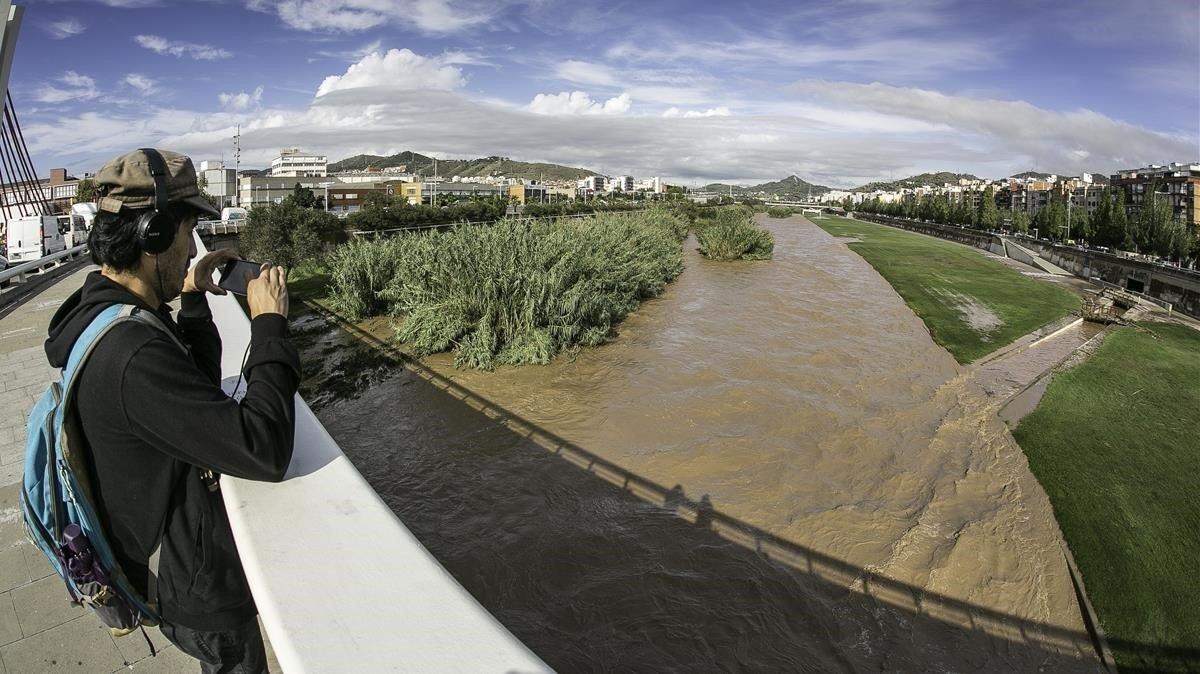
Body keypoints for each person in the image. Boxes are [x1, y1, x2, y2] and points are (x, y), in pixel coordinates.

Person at [43, 149, 299, 673]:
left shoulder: (114, 312)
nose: (191, 249)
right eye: (187, 234)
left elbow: (194, 389)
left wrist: (192, 299)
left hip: (182, 562)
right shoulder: (132, 354)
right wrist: (269, 324)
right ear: (154, 236)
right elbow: (264, 448)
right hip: (198, 591)